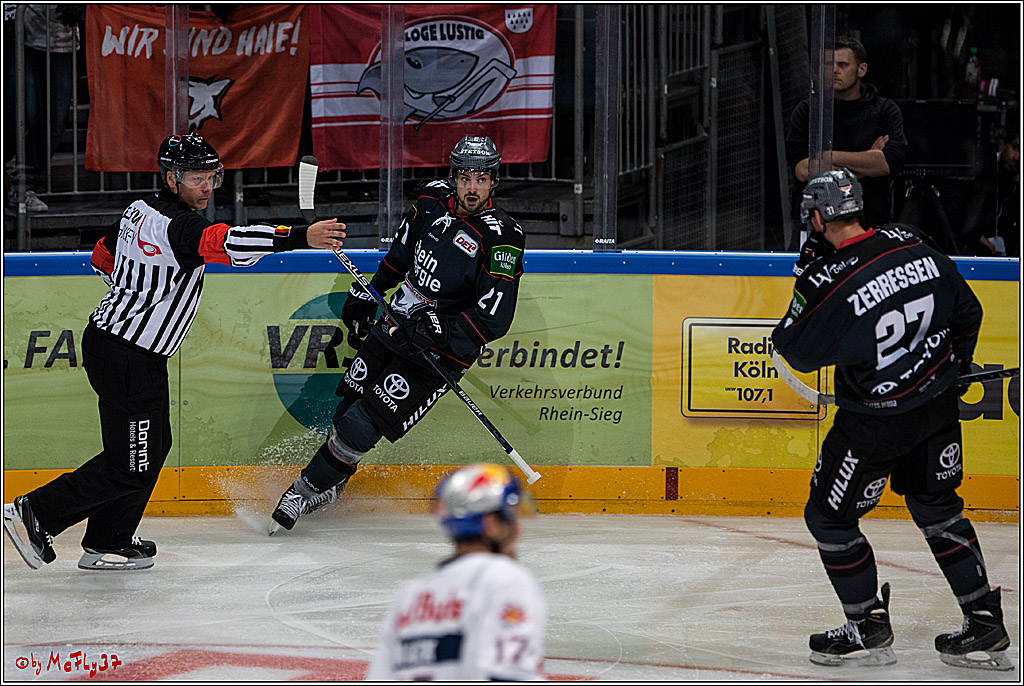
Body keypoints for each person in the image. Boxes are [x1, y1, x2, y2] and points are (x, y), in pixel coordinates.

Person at [2, 133, 346, 571]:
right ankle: (35, 513)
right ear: (171, 178)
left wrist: (137, 295)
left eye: (211, 177)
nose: (206, 187)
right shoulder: (181, 226)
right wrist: (301, 236)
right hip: (129, 355)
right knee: (130, 463)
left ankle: (109, 539)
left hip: (123, 348)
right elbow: (227, 243)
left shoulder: (138, 210)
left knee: (152, 447)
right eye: (196, 178)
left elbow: (102, 256)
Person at [771, 168, 1012, 671]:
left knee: (829, 518)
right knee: (938, 507)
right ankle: (985, 621)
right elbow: (968, 312)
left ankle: (867, 624)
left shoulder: (829, 279)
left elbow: (793, 347)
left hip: (872, 426)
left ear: (817, 218)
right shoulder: (913, 243)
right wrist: (956, 366)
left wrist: (809, 278)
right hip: (938, 408)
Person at [269, 135, 525, 534]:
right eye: (465, 177)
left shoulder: (502, 236)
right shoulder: (430, 200)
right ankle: (332, 486)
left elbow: (494, 317)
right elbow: (402, 256)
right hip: (395, 323)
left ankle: (303, 490)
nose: (472, 187)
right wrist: (366, 293)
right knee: (347, 407)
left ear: (494, 182)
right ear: (453, 177)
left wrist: (441, 335)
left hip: (438, 355)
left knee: (361, 424)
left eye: (481, 178)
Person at [366, 463, 546, 680]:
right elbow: (507, 676)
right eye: (512, 517)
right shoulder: (504, 580)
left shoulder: (411, 596)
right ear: (490, 524)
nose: (519, 530)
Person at [785, 36, 907, 233]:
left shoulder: (884, 110)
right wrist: (866, 162)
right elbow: (802, 170)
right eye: (828, 64)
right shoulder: (808, 111)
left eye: (842, 64)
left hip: (870, 224)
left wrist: (827, 156)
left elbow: (888, 163)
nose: (834, 70)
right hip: (817, 227)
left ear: (862, 70)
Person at [5, 5, 84, 212]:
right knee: (23, 113)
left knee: (55, 123)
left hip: (62, 42)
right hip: (22, 36)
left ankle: (22, 188)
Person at [977, 134, 1019, 258]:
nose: (1017, 158)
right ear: (1005, 145)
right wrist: (977, 236)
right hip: (976, 245)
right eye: (1015, 148)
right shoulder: (984, 167)